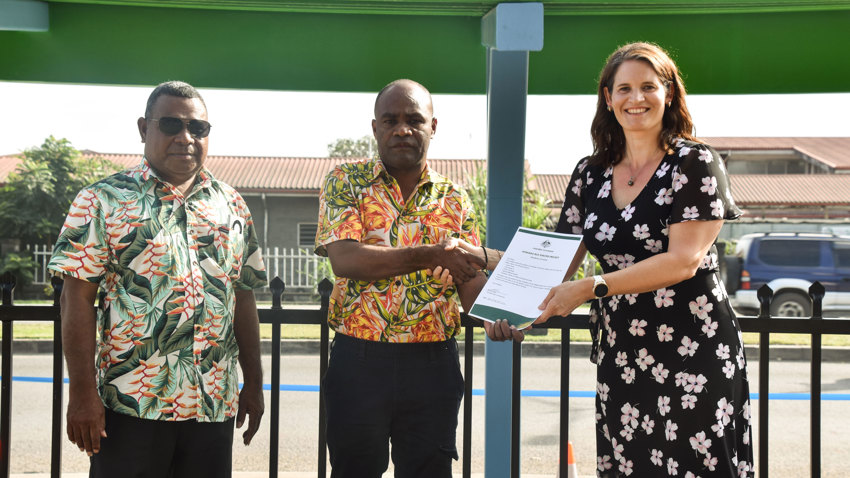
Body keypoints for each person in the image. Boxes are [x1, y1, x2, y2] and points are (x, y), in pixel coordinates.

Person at [442, 43, 754, 477]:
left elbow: (683, 261)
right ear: (608, 98)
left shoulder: (695, 163)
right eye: (624, 88)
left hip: (694, 351)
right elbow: (555, 259)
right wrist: (485, 262)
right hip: (623, 354)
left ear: (669, 93)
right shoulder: (589, 173)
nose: (636, 98)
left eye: (648, 87)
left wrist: (592, 287)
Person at [48, 80, 267, 477]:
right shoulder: (101, 200)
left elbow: (243, 296)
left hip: (211, 406)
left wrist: (253, 381)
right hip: (133, 406)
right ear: (143, 128)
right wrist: (81, 393)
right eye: (170, 124)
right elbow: (75, 300)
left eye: (198, 128)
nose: (186, 137)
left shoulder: (231, 204)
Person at [314, 78, 522, 478]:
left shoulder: (454, 198)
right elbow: (347, 260)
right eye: (390, 120)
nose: (402, 130)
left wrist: (498, 316)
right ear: (375, 127)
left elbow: (468, 279)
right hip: (359, 361)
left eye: (414, 120)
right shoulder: (346, 181)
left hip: (432, 364)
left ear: (433, 126)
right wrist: (432, 254)